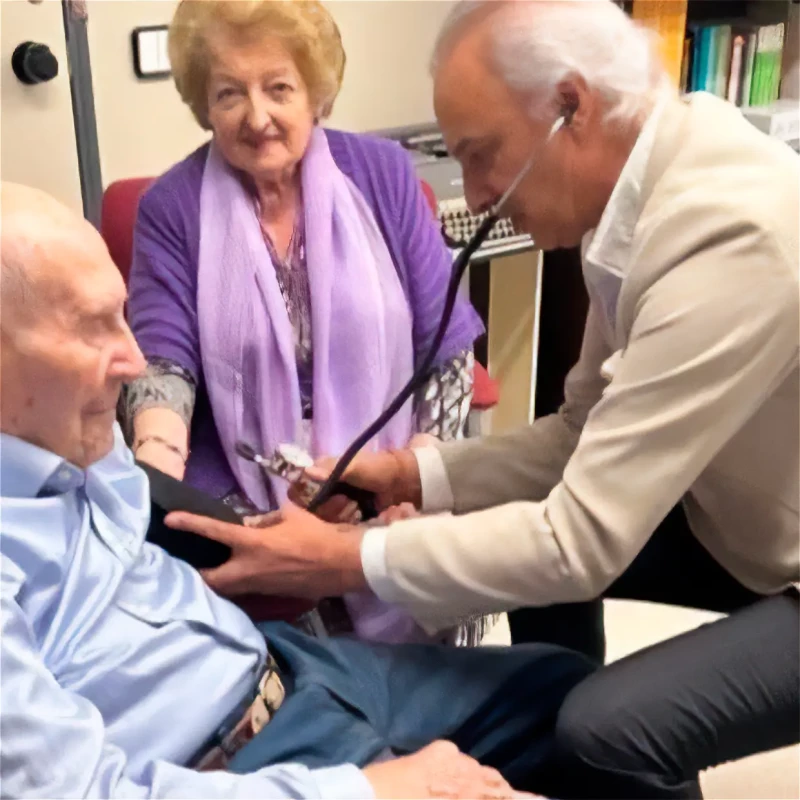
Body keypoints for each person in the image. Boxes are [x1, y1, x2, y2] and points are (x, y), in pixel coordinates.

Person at [167, 1, 800, 798]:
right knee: (520, 573)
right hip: (741, 507)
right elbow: (578, 437)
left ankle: (593, 745)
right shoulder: (645, 184)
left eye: (481, 155)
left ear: (572, 107)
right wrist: (406, 475)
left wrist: (342, 561)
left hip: (780, 546)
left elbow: (578, 544)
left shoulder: (725, 232)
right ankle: (558, 727)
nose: (475, 193)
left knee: (608, 730)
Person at [0, 182, 596, 799]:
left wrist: (394, 487)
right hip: (223, 760)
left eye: (122, 318)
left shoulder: (66, 426)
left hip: (286, 662)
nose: (131, 358)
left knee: (583, 704)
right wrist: (374, 791)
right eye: (92, 327)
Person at [124, 0, 489, 645]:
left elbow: (446, 348)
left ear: (315, 93)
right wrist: (154, 478)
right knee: (264, 587)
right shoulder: (172, 208)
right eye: (230, 93)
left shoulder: (381, 174)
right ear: (203, 104)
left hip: (390, 466)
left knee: (429, 555)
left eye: (279, 88)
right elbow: (163, 367)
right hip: (245, 473)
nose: (257, 116)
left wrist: (415, 474)